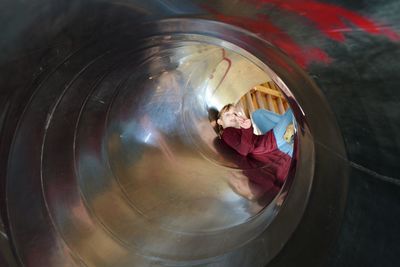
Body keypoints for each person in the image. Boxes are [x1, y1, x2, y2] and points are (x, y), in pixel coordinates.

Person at [216, 104, 293, 184]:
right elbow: (244, 150)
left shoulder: (237, 132)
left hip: (276, 150)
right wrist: (247, 129)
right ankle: (293, 130)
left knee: (258, 115)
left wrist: (246, 129)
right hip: (270, 144)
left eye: (234, 114)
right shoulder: (227, 132)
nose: (232, 116)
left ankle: (292, 132)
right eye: (227, 114)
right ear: (220, 121)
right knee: (293, 108)